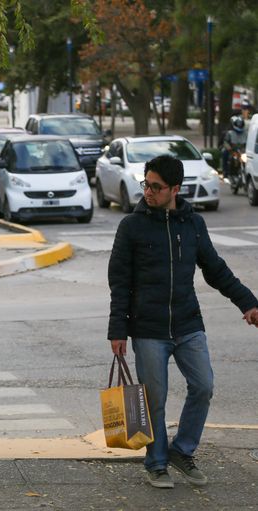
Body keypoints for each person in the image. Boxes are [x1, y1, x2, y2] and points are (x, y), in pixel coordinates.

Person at [108, 155, 258, 489]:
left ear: (175, 189)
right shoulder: (131, 226)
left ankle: (182, 451)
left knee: (203, 386)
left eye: (156, 187)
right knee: (155, 400)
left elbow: (216, 269)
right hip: (148, 328)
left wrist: (248, 303)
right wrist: (117, 330)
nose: (148, 191)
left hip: (189, 324)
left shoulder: (192, 224)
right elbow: (119, 283)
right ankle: (157, 463)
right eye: (146, 184)